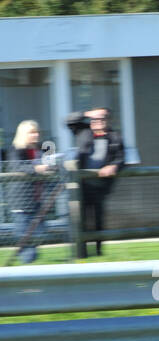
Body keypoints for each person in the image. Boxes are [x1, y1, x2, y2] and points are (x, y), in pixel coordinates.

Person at [65, 107, 125, 257]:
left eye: (101, 119)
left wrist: (114, 165)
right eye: (95, 119)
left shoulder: (115, 137)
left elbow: (121, 158)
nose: (98, 122)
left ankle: (98, 251)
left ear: (107, 120)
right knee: (81, 220)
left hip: (100, 186)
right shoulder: (83, 131)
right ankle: (82, 253)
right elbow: (68, 120)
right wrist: (86, 113)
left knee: (98, 219)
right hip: (82, 185)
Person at [6, 120, 56, 263]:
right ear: (23, 134)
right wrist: (36, 169)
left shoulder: (45, 147)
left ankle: (28, 258)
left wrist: (50, 165)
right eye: (31, 132)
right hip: (22, 200)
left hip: (39, 198)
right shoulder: (15, 149)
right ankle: (26, 264)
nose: (36, 135)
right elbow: (17, 167)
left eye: (37, 132)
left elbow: (52, 166)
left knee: (40, 231)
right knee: (24, 234)